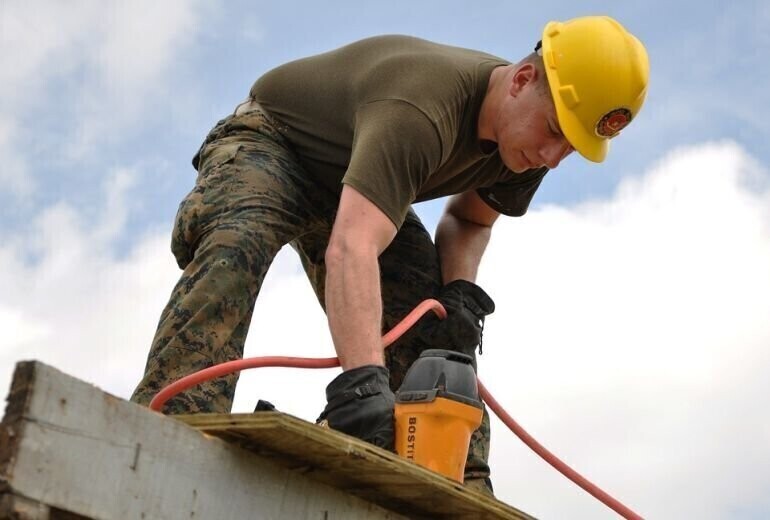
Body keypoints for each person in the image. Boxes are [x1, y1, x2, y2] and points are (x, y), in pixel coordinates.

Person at [131, 15, 649, 493]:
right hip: (276, 144)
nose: (551, 157)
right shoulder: (421, 109)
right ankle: (171, 421)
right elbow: (352, 247)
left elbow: (469, 219)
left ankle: (459, 478)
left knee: (438, 326)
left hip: (359, 186)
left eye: (571, 148)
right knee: (236, 248)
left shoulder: (529, 148)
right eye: (555, 132)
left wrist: (459, 292)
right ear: (521, 81)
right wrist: (362, 385)